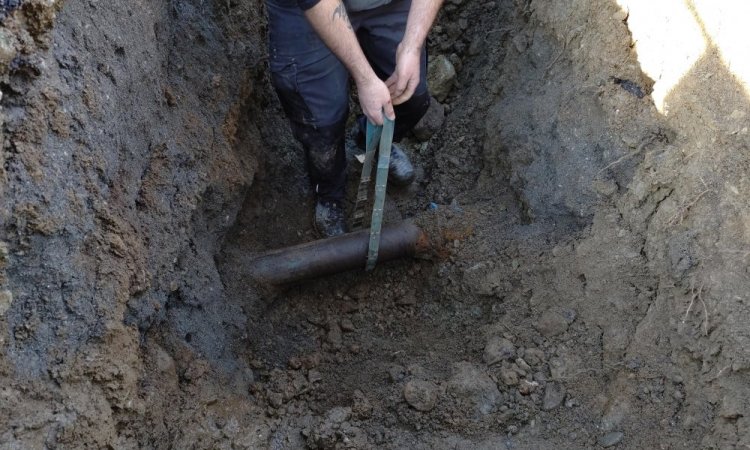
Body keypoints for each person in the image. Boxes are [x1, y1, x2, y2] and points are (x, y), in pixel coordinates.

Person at [266, 0, 443, 237]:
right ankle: (328, 194)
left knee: (411, 96)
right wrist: (366, 79)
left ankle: (373, 142)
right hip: (303, 11)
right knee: (321, 125)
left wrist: (411, 45)